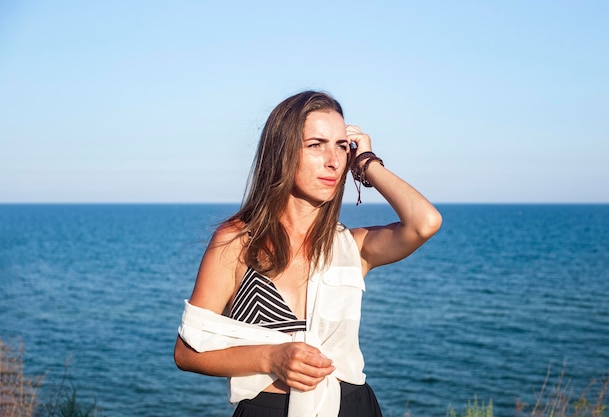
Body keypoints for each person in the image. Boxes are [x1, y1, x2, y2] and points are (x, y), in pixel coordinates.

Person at [174, 91, 442, 417]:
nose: (333, 160)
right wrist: (271, 358)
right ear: (282, 151)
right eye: (316, 145)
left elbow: (425, 222)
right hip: (267, 409)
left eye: (341, 146)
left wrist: (367, 163)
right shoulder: (237, 242)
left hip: (353, 407)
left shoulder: (353, 247)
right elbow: (187, 352)